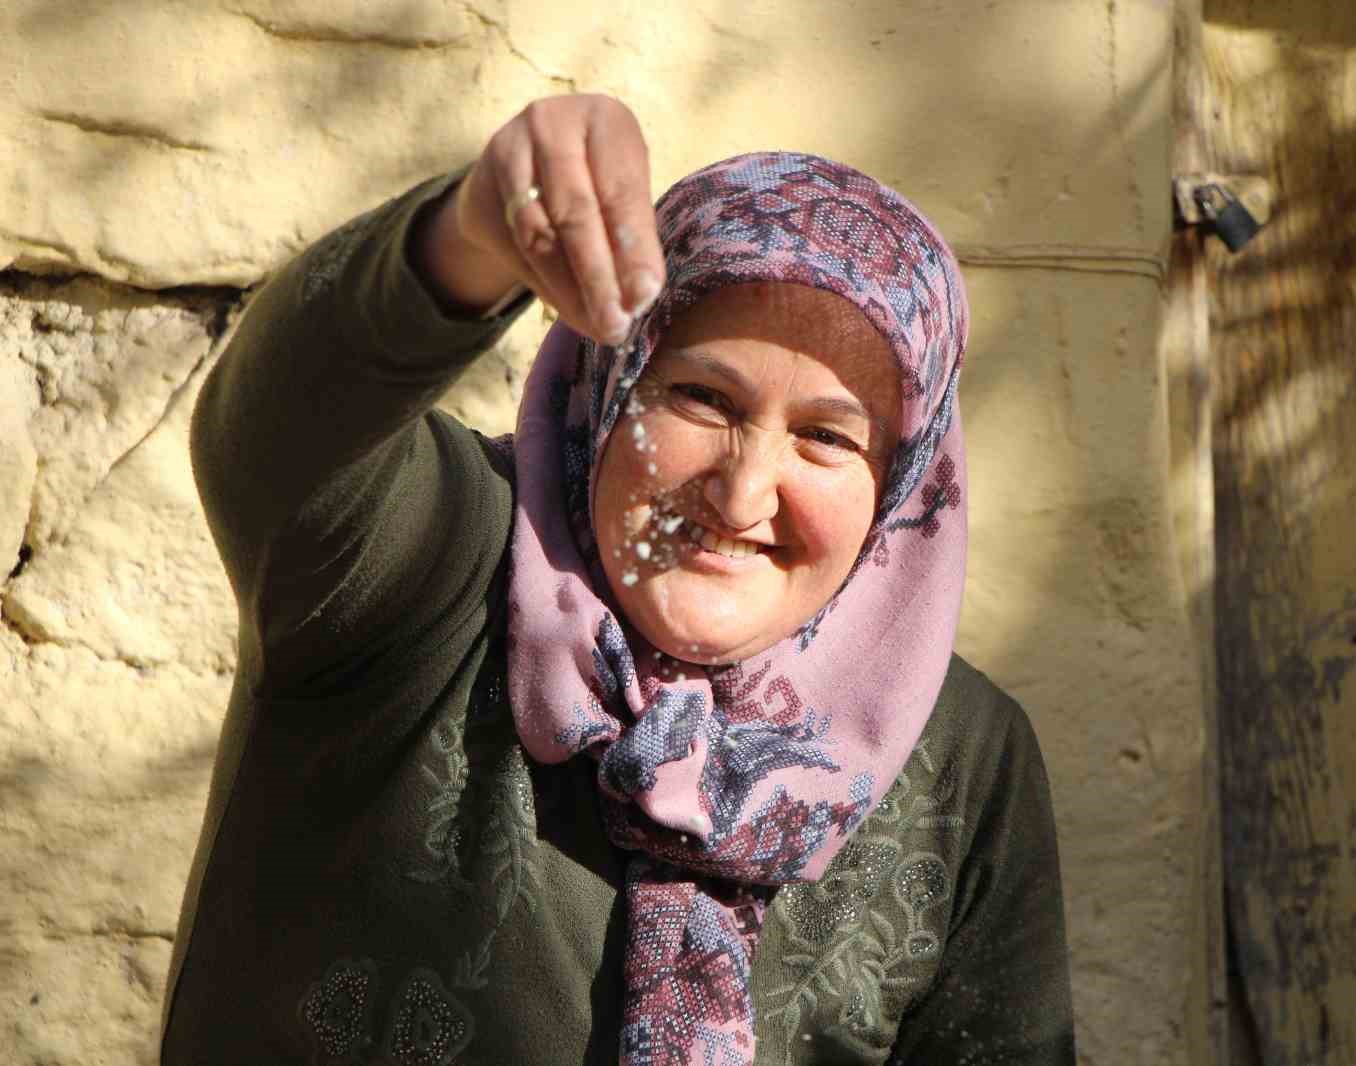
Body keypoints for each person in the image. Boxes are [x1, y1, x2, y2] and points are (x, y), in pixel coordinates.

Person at [162, 93, 1074, 1065]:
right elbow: (278, 431)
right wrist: (469, 235)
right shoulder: (439, 569)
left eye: (825, 437)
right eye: (699, 395)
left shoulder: (952, 754)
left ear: (899, 485)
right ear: (609, 379)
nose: (743, 490)